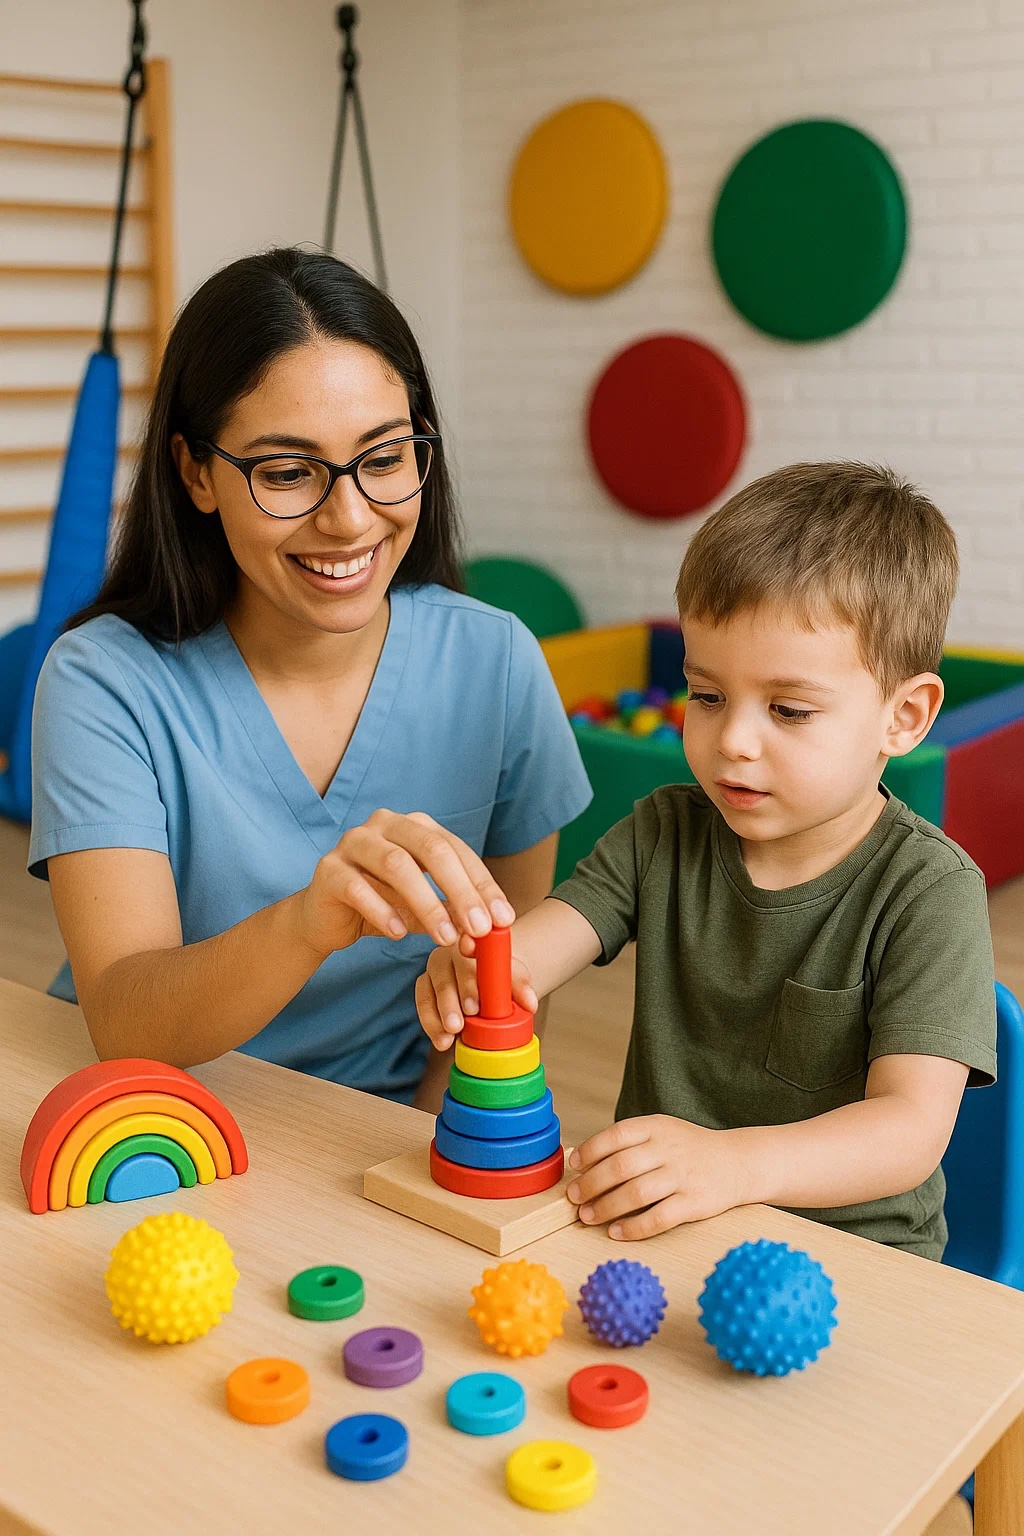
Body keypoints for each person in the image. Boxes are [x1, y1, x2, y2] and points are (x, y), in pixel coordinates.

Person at [29, 247, 591, 1110]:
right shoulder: (102, 683)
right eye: (288, 472)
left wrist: (430, 1148)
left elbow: (504, 987)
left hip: (372, 1129)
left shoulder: (498, 663)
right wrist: (305, 923)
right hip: (144, 1120)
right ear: (195, 472)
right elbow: (126, 1020)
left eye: (385, 457)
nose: (350, 518)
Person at [416, 462, 997, 1258]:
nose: (733, 741)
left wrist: (735, 1165)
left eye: (788, 710)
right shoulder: (664, 830)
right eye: (708, 696)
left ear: (904, 717)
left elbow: (908, 1131)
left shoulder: (930, 891)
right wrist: (486, 967)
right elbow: (544, 946)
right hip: (663, 1226)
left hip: (854, 1257)